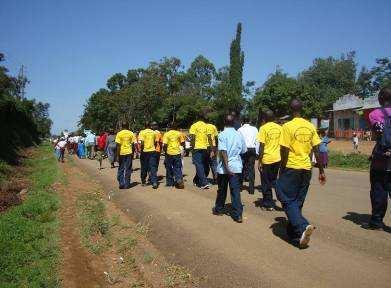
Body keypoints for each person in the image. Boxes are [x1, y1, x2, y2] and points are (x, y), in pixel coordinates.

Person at [277, 99, 326, 248]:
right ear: (302, 109)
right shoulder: (310, 126)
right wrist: (321, 170)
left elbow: (284, 150)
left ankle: (302, 225)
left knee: (284, 197)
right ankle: (296, 235)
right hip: (306, 168)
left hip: (292, 167)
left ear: (290, 110)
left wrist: (282, 169)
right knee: (297, 201)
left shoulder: (287, 126)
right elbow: (317, 149)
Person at [212, 115, 247, 223]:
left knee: (222, 189)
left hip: (224, 168)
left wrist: (227, 168)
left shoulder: (222, 134)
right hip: (236, 166)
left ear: (224, 123)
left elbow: (223, 151)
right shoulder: (239, 134)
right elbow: (243, 150)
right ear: (233, 123)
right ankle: (238, 215)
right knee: (235, 191)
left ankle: (219, 209)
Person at [367, 86, 391, 230]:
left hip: (381, 161)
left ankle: (376, 222)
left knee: (378, 191)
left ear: (380, 98)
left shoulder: (375, 114)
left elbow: (378, 135)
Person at [257, 110, 282, 210]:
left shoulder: (263, 128)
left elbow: (262, 146)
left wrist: (260, 160)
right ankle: (284, 200)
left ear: (265, 118)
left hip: (267, 159)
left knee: (266, 182)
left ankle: (268, 204)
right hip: (278, 158)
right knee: (274, 181)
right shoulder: (280, 128)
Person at [189, 112, 212, 189]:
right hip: (205, 148)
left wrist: (192, 148)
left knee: (199, 165)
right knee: (202, 165)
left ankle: (204, 183)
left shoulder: (194, 126)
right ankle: (196, 180)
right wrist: (211, 149)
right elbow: (209, 138)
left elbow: (193, 138)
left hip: (197, 148)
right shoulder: (207, 126)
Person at [238, 116, 259, 194]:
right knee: (251, 168)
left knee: (241, 167)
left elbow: (238, 141)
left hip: (243, 149)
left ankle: (240, 186)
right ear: (249, 121)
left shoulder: (240, 130)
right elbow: (257, 141)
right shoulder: (255, 129)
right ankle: (251, 189)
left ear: (243, 121)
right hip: (252, 149)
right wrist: (257, 152)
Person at [163, 122, 185, 189]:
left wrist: (165, 152)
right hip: (177, 153)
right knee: (178, 168)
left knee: (169, 168)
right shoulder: (179, 133)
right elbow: (183, 143)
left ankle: (170, 183)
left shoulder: (166, 134)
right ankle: (179, 180)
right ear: (176, 127)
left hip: (169, 153)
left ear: (169, 127)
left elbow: (165, 145)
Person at [115, 121, 135, 189]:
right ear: (128, 126)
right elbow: (133, 145)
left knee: (121, 168)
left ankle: (121, 183)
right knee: (128, 168)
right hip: (129, 152)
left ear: (122, 126)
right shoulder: (131, 133)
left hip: (121, 153)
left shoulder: (119, 134)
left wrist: (117, 155)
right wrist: (133, 153)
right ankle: (127, 184)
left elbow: (118, 145)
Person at [139, 122, 158, 189]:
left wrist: (141, 151)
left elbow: (142, 143)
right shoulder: (154, 132)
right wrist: (153, 148)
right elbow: (156, 142)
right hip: (152, 151)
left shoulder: (142, 132)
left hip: (145, 151)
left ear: (144, 126)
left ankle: (143, 181)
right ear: (150, 126)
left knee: (144, 167)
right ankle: (154, 182)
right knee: (153, 167)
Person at [206, 120, 219, 184]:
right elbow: (216, 137)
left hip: (204, 147)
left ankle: (204, 178)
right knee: (214, 164)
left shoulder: (203, 127)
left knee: (205, 163)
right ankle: (216, 179)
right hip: (213, 146)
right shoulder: (213, 127)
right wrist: (216, 147)